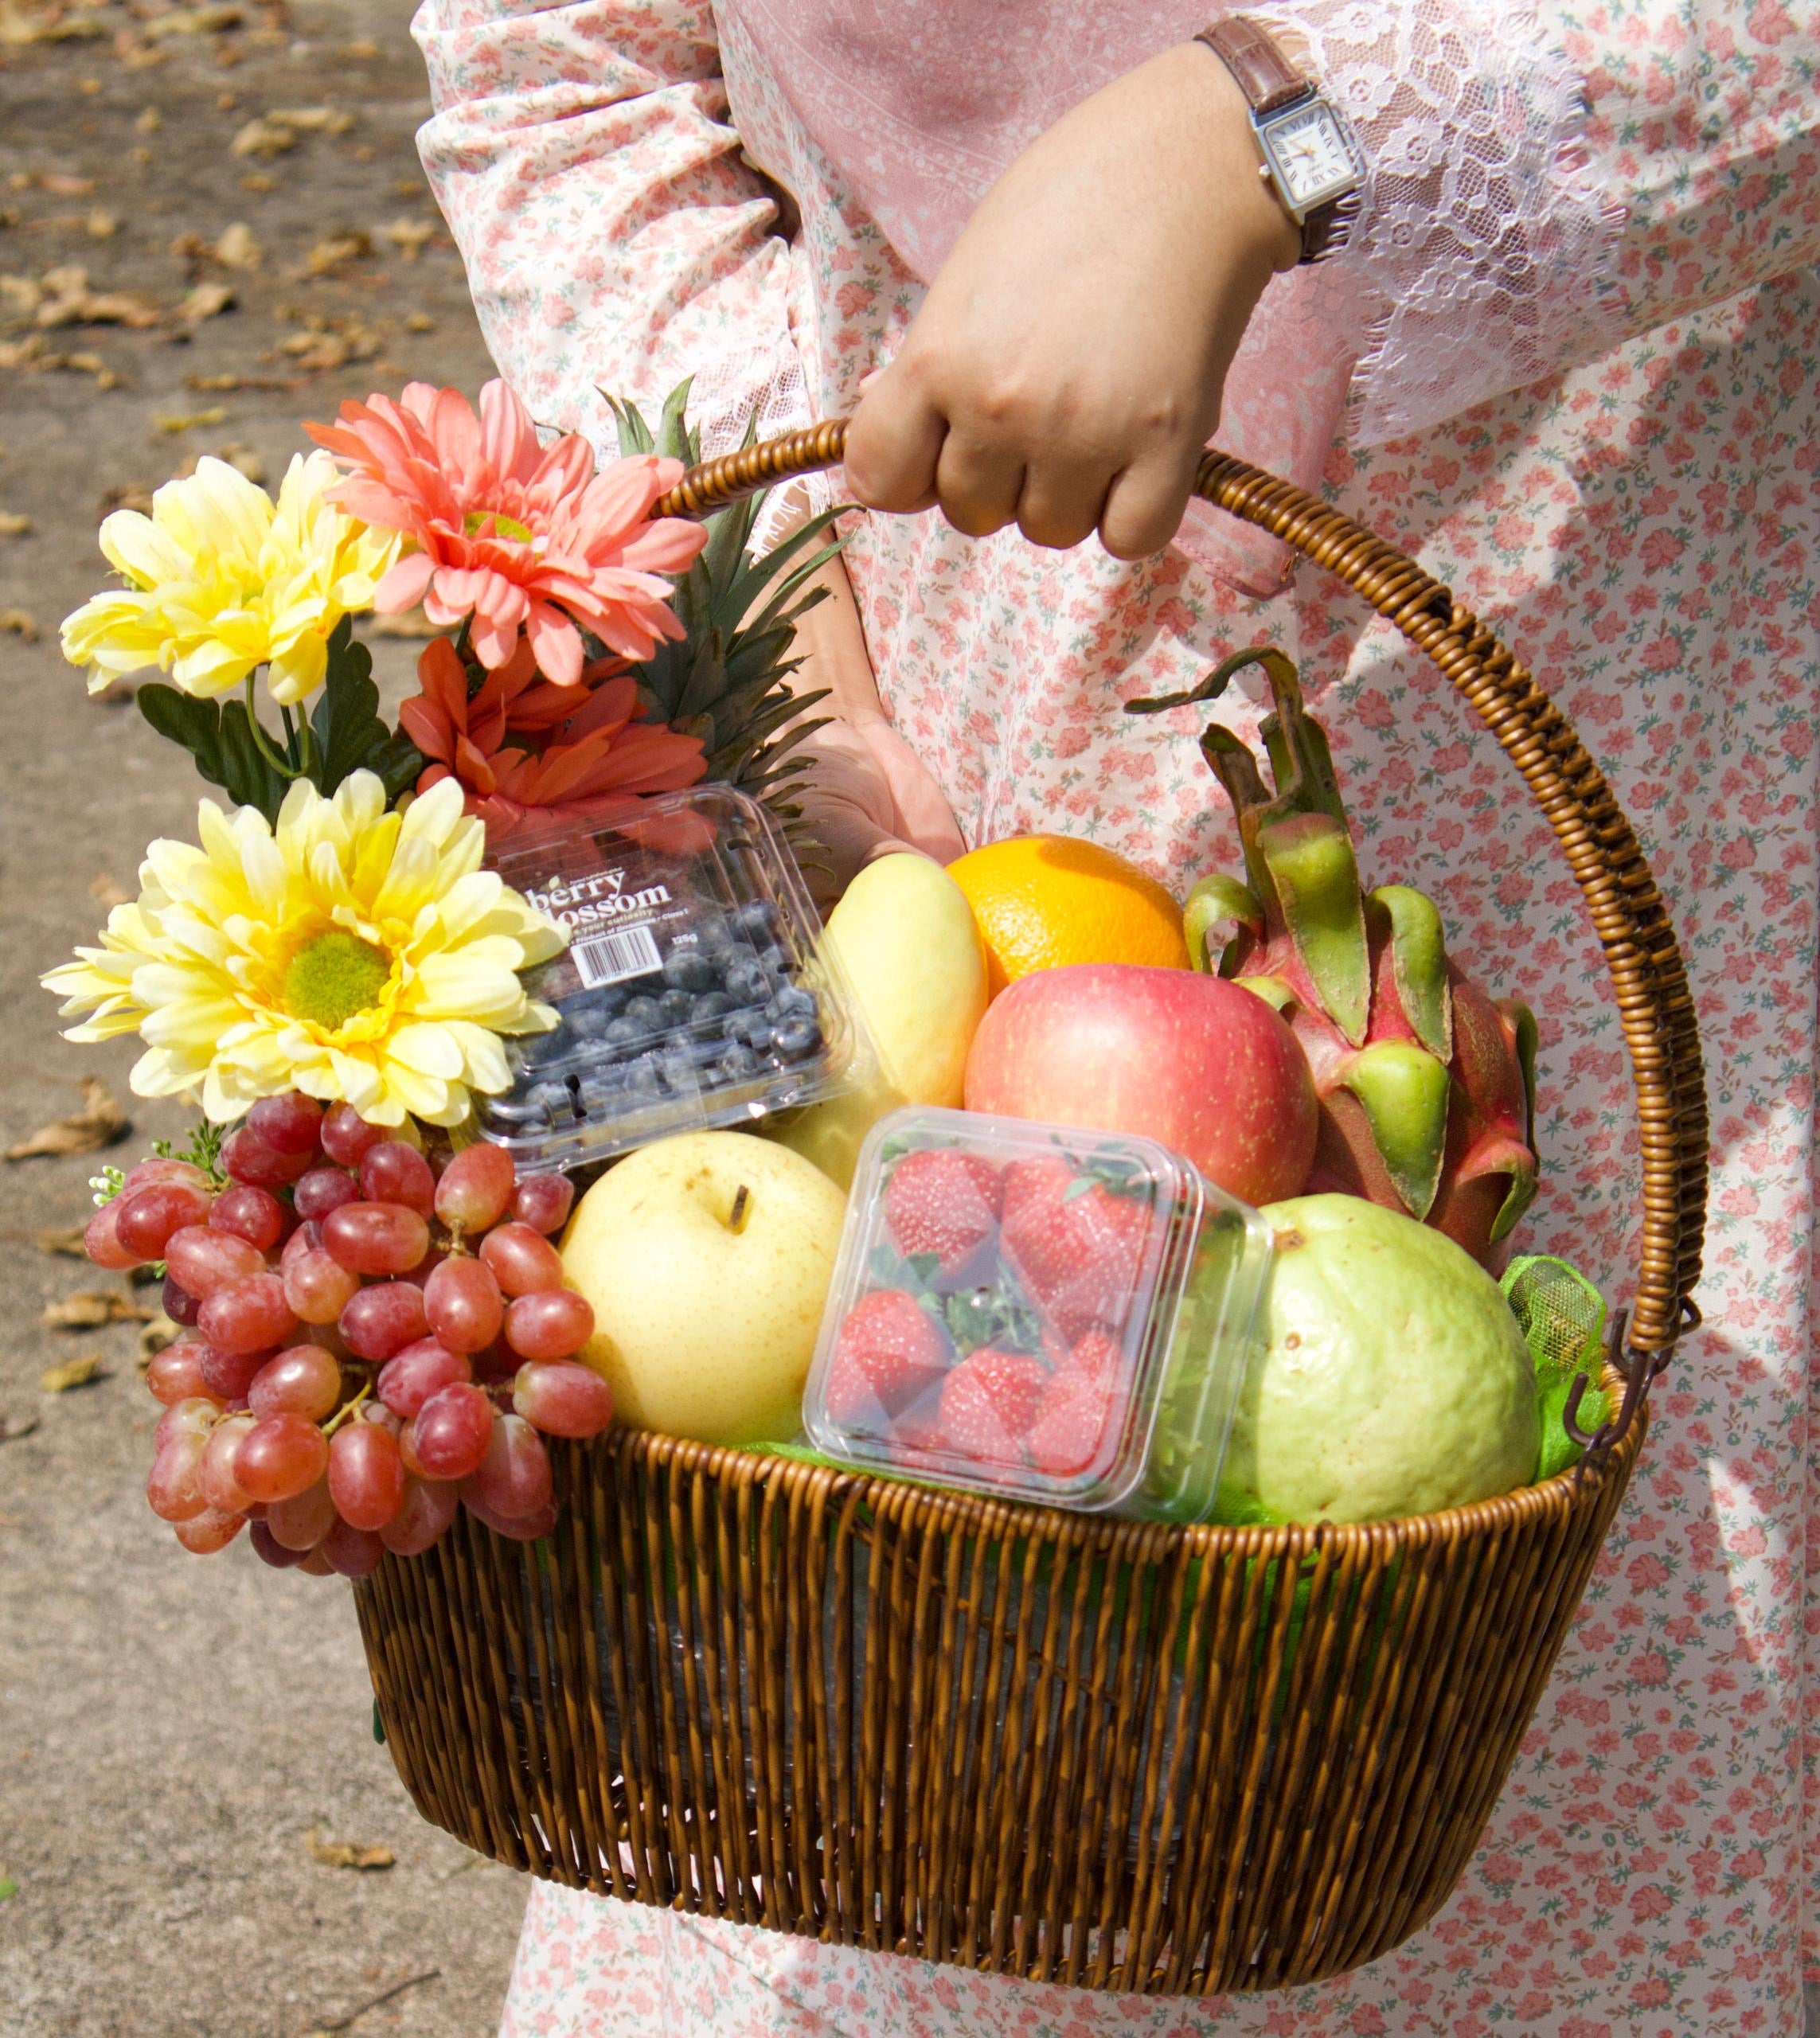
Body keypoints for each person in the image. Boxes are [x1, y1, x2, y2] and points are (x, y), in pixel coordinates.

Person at [410, 1, 1820, 2031]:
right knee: (919, 1778)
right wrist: (787, 620)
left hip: (1631, 749)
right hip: (965, 732)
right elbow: (569, 68)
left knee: (1525, 1735)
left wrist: (1268, 139)